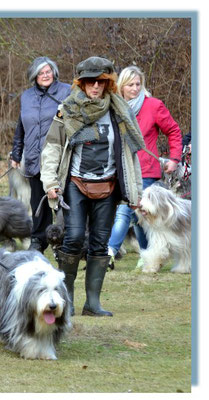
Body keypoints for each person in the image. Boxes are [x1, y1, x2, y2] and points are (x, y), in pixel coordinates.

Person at [40, 56, 145, 317]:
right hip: (75, 183)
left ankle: (93, 303)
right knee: (73, 237)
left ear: (108, 83)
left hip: (108, 186)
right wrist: (51, 182)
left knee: (100, 243)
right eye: (90, 82)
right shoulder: (67, 110)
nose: (95, 87)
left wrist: (136, 192)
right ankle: (68, 300)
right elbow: (52, 147)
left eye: (100, 82)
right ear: (82, 83)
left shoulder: (120, 112)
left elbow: (131, 156)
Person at [106, 65, 183, 266]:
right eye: (130, 84)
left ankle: (109, 253)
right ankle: (148, 254)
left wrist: (174, 158)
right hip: (118, 170)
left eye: (138, 84)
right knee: (139, 218)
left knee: (127, 211)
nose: (135, 88)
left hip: (145, 171)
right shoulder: (114, 108)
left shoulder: (154, 106)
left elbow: (174, 131)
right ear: (121, 86)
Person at [9, 56, 72, 253]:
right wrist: (16, 154)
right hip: (34, 157)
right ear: (34, 76)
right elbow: (21, 127)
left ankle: (67, 240)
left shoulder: (67, 91)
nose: (45, 75)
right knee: (38, 201)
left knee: (63, 201)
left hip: (59, 159)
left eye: (48, 71)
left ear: (54, 73)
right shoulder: (26, 96)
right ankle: (38, 240)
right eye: (41, 72)